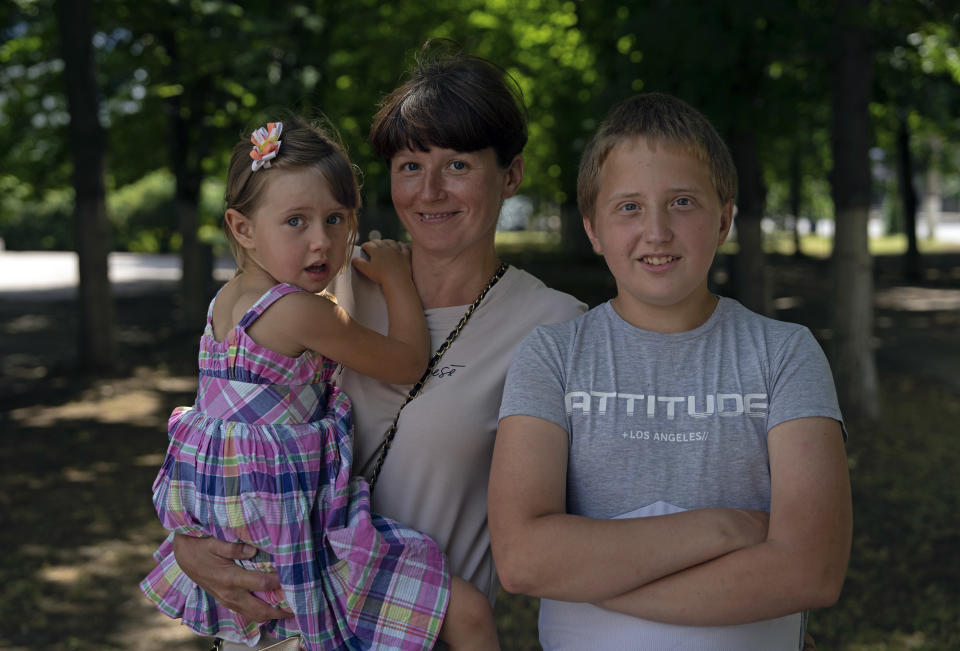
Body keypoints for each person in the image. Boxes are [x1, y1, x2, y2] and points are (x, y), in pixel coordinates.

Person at [168, 44, 586, 647]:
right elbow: (231, 445)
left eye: (459, 165)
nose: (430, 191)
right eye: (410, 165)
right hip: (281, 629)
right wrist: (190, 548)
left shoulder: (554, 327)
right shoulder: (321, 286)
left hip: (417, 628)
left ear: (512, 175)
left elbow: (563, 529)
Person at [489, 92, 852, 649]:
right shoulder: (553, 356)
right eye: (629, 207)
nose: (656, 231)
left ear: (725, 218)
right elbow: (522, 558)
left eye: (682, 202)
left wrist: (588, 575)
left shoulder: (785, 354)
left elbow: (811, 571)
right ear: (594, 229)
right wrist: (725, 529)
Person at [140, 117, 500, 650]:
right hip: (293, 541)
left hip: (242, 534)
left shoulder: (225, 304)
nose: (322, 242)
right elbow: (405, 364)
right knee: (466, 612)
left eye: (336, 219)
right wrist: (397, 276)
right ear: (242, 229)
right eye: (295, 222)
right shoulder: (296, 311)